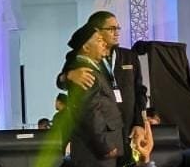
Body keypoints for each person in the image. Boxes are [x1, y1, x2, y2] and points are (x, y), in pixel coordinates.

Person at [61, 22, 125, 167]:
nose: (104, 43)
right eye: (99, 40)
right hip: (96, 150)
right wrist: (105, 145)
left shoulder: (95, 65)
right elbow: (89, 111)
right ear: (86, 47)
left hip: (102, 147)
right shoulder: (83, 70)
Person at [59, 10, 147, 151]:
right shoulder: (84, 55)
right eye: (111, 29)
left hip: (128, 131)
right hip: (98, 135)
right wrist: (69, 75)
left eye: (118, 28)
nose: (116, 33)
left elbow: (139, 91)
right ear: (97, 31)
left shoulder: (129, 56)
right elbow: (61, 82)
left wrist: (139, 123)